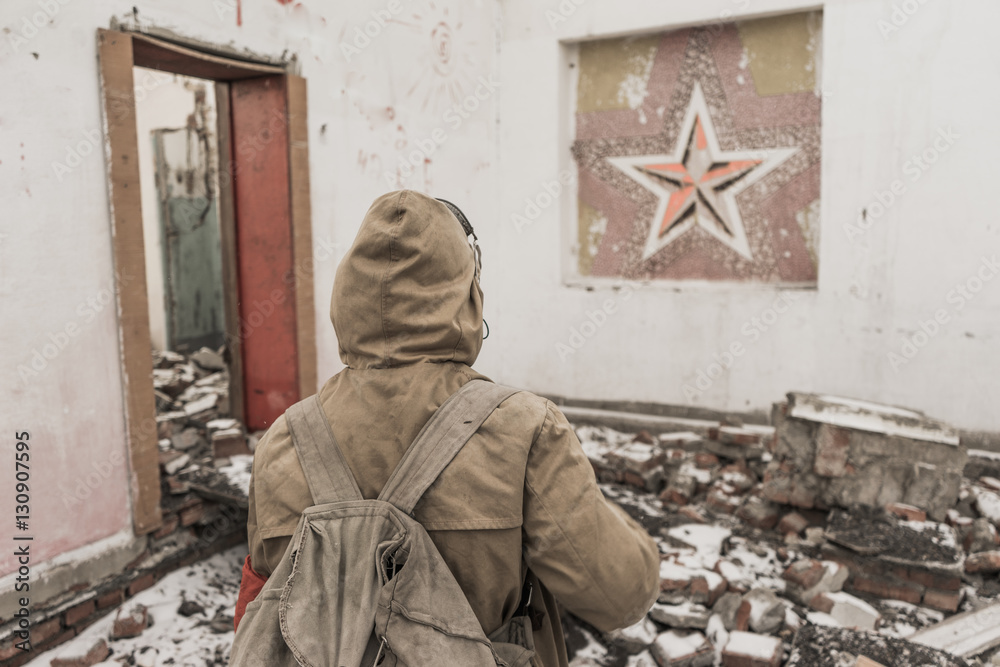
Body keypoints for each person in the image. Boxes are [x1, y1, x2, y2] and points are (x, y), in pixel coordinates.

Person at [237, 190, 660, 666]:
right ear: (467, 295)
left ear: (347, 297)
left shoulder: (283, 438)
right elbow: (620, 596)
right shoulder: (525, 428)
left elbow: (258, 610)